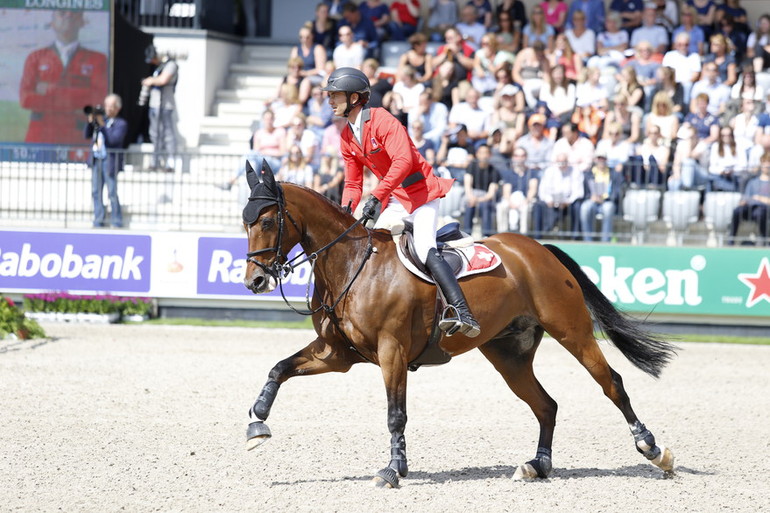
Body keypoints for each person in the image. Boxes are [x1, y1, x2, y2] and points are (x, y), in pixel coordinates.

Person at [322, 66, 480, 337]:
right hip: (396, 199)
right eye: (330, 95)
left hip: (423, 195)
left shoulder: (382, 119)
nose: (330, 100)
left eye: (335, 95)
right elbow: (352, 184)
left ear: (354, 98)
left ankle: (462, 311)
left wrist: (378, 196)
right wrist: (345, 213)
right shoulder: (347, 136)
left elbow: (404, 161)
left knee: (423, 247)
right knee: (373, 247)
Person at [19, 10, 108, 144]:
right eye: (62, 13)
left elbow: (97, 98)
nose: (68, 17)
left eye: (73, 14)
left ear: (82, 21)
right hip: (40, 138)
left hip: (77, 139)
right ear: (52, 21)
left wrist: (50, 91)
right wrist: (78, 98)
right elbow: (26, 99)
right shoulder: (36, 58)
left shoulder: (97, 60)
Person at [84, 94, 127, 228]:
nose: (107, 109)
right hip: (97, 159)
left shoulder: (120, 124)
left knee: (112, 192)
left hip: (109, 161)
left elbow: (113, 140)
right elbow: (87, 135)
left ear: (117, 108)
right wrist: (91, 122)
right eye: (106, 105)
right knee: (96, 191)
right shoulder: (101, 121)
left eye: (111, 106)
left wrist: (103, 125)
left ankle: (116, 220)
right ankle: (98, 219)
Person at [142, 45, 179, 172]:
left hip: (166, 105)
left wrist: (151, 80)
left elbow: (164, 80)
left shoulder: (171, 65)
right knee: (154, 134)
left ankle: (171, 162)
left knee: (168, 134)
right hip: (155, 104)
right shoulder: (158, 67)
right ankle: (155, 160)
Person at [531, 153, 585, 238]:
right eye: (559, 162)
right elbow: (543, 191)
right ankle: (538, 236)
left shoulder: (575, 171)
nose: (561, 164)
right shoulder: (549, 171)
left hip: (568, 203)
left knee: (577, 206)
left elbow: (578, 192)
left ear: (567, 162)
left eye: (563, 162)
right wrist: (549, 200)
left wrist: (568, 202)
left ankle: (575, 236)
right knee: (538, 206)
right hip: (551, 202)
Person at [580, 151, 623, 242]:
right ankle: (587, 240)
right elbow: (585, 191)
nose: (601, 161)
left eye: (603, 159)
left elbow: (617, 190)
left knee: (608, 208)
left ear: (606, 160)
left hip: (606, 201)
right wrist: (591, 197)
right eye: (599, 159)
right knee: (585, 208)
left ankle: (605, 240)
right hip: (592, 200)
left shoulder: (613, 173)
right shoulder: (589, 174)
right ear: (595, 160)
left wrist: (606, 198)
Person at [729, 152, 770, 245]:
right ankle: (731, 239)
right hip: (750, 207)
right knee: (737, 211)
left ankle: (765, 241)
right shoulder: (752, 182)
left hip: (765, 210)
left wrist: (759, 198)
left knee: (759, 213)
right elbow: (746, 197)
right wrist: (744, 201)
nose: (766, 166)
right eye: (764, 163)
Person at [497, 147, 539, 233]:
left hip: (526, 199)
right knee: (501, 206)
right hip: (511, 199)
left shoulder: (532, 172)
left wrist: (526, 200)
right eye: (516, 156)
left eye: (522, 155)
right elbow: (506, 191)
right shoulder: (508, 173)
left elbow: (532, 189)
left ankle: (523, 234)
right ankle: (502, 233)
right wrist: (510, 203)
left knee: (525, 208)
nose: (519, 158)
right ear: (513, 157)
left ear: (526, 157)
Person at [463, 144, 501, 237]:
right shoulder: (471, 167)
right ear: (477, 154)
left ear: (490, 155)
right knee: (469, 203)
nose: (484, 155)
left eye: (486, 153)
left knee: (485, 205)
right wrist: (471, 197)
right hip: (471, 194)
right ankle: (466, 235)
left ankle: (486, 236)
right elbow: (467, 186)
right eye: (481, 153)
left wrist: (478, 200)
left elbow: (490, 194)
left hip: (485, 198)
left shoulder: (494, 171)